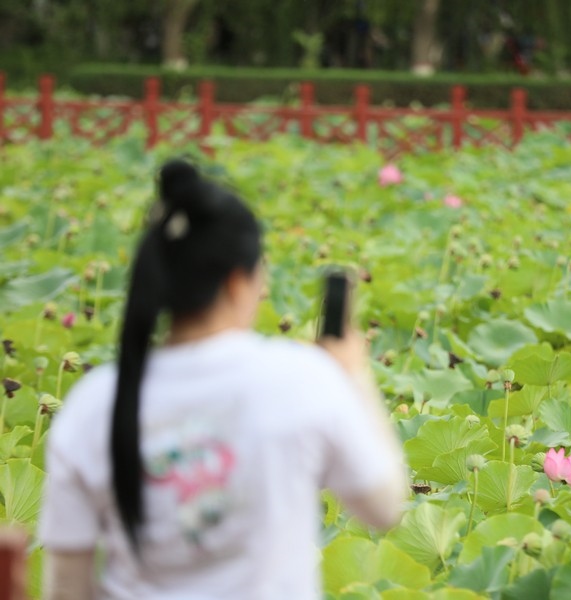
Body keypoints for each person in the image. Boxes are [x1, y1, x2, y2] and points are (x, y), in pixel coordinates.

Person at [38, 160, 409, 599]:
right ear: (237, 282)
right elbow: (385, 507)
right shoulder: (302, 378)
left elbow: (67, 587)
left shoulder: (95, 401)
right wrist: (353, 375)